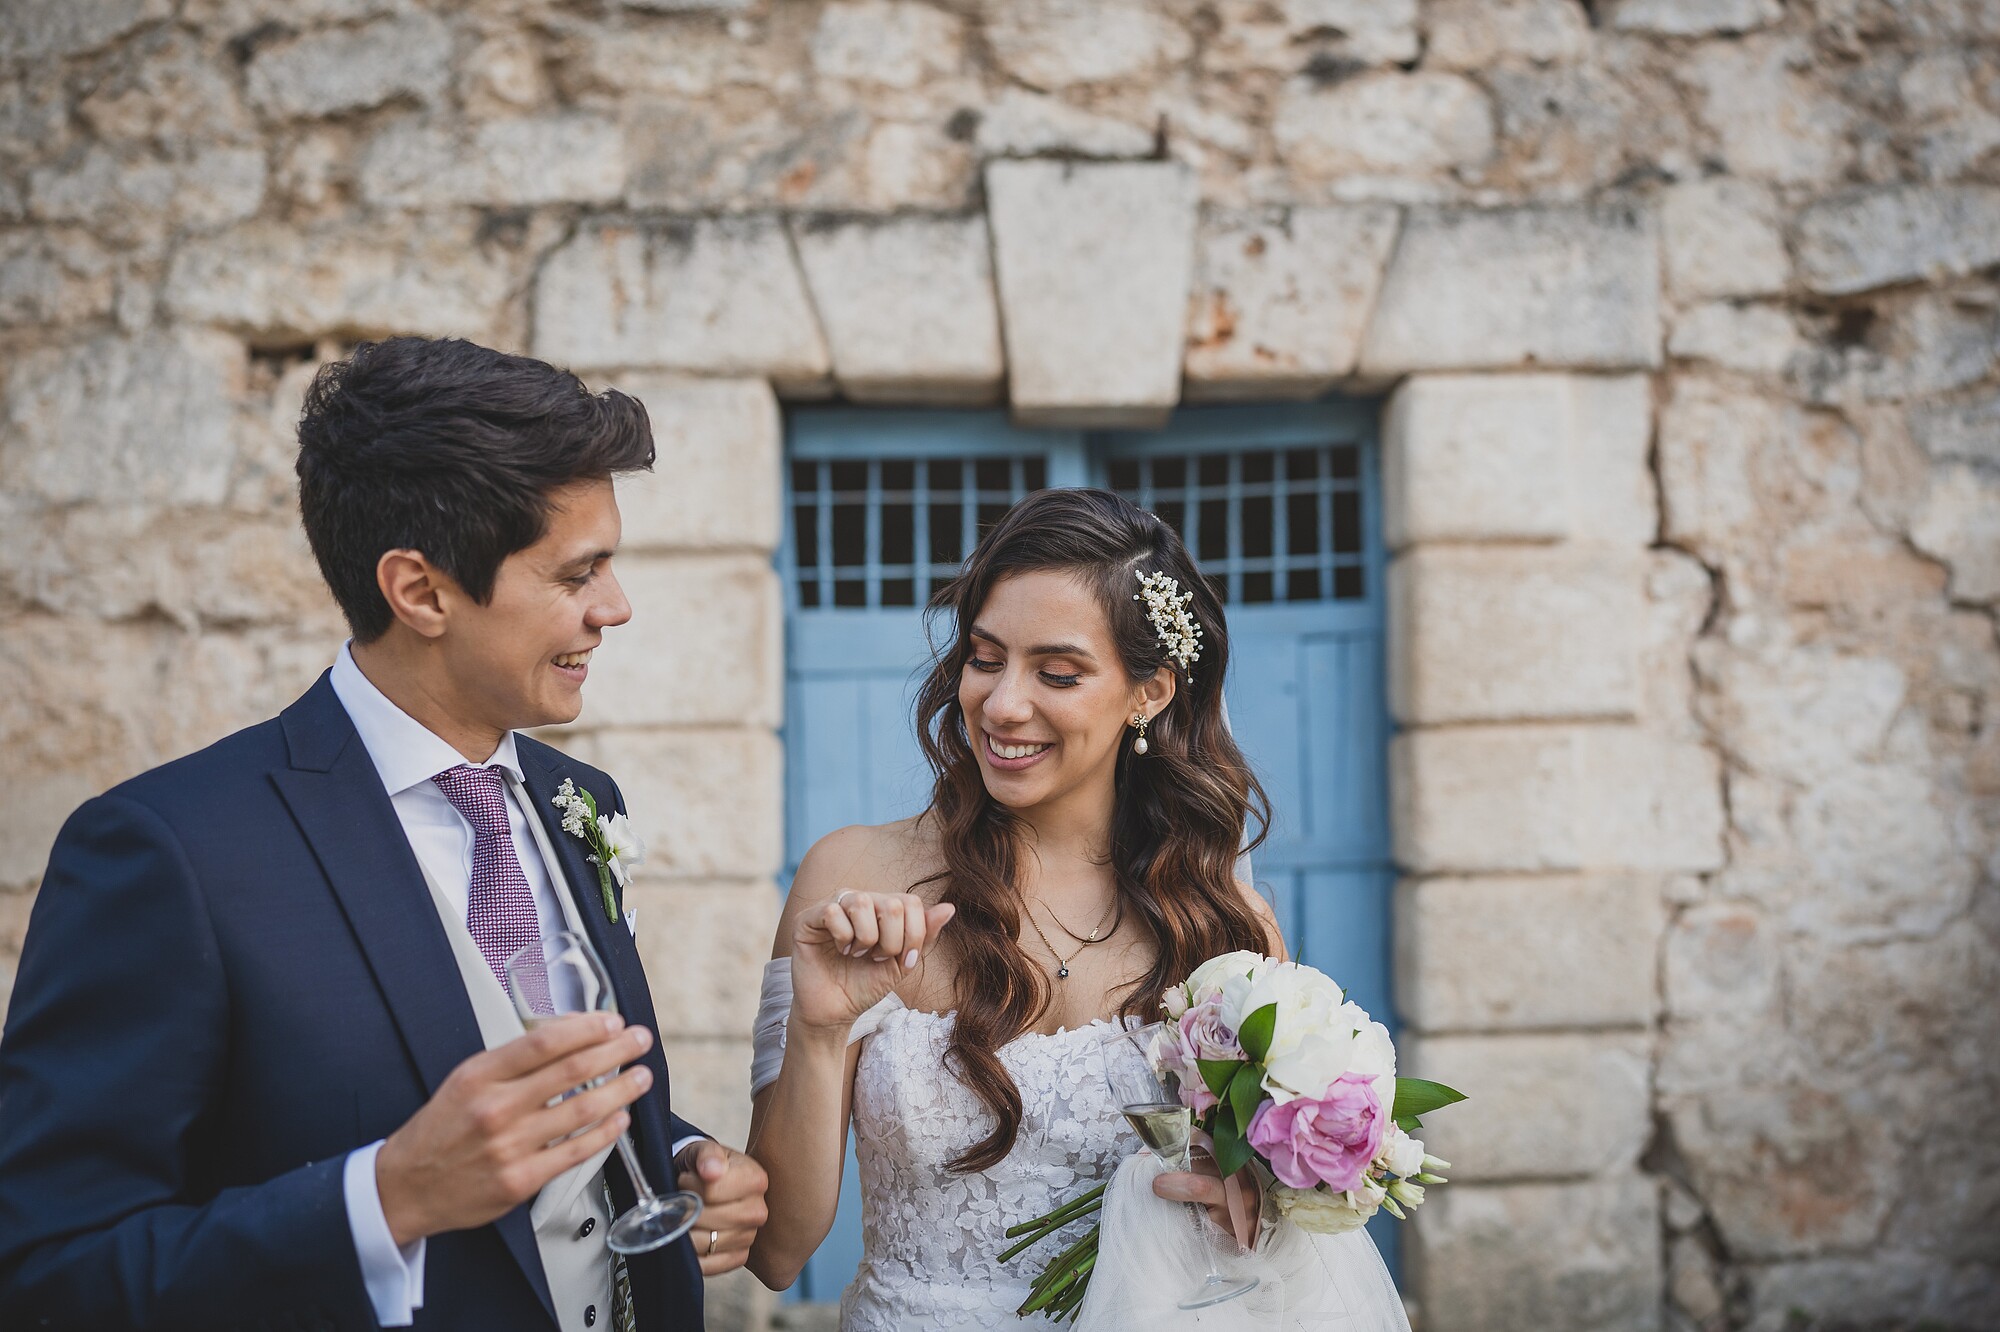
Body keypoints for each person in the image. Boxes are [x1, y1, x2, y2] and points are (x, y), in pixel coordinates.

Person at [0, 337, 768, 1330]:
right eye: (578, 574)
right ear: (420, 591)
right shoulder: (168, 853)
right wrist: (385, 1199)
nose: (615, 609)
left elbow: (525, 1072)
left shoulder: (579, 799)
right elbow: (48, 1272)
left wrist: (666, 1154)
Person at [743, 487, 1292, 1329]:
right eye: (985, 657)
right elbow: (775, 1252)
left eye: (1058, 674)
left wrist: (1253, 1203)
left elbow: (1265, 1238)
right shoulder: (850, 877)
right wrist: (818, 1034)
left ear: (1148, 692)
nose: (1000, 705)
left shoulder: (1225, 926)